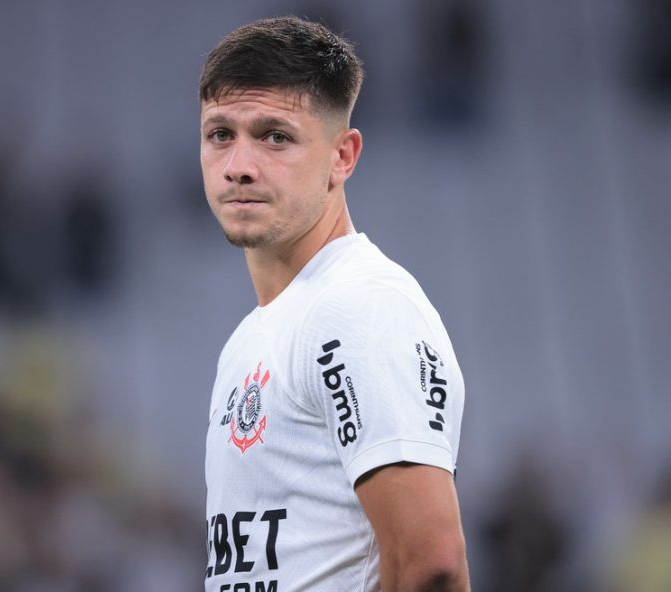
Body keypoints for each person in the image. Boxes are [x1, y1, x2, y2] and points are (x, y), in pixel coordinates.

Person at [200, 16, 469, 592]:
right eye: (221, 133)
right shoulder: (254, 336)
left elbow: (434, 567)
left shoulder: (359, 307)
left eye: (276, 136)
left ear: (342, 156)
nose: (239, 164)